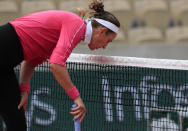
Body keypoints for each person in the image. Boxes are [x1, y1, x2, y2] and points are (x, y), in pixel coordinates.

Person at [0, 0, 120, 130]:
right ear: (101, 31)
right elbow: (56, 64)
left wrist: (24, 89)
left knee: (16, 123)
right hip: (3, 47)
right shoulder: (77, 26)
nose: (104, 47)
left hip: (4, 66)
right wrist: (77, 98)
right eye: (108, 41)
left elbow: (30, 62)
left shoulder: (69, 32)